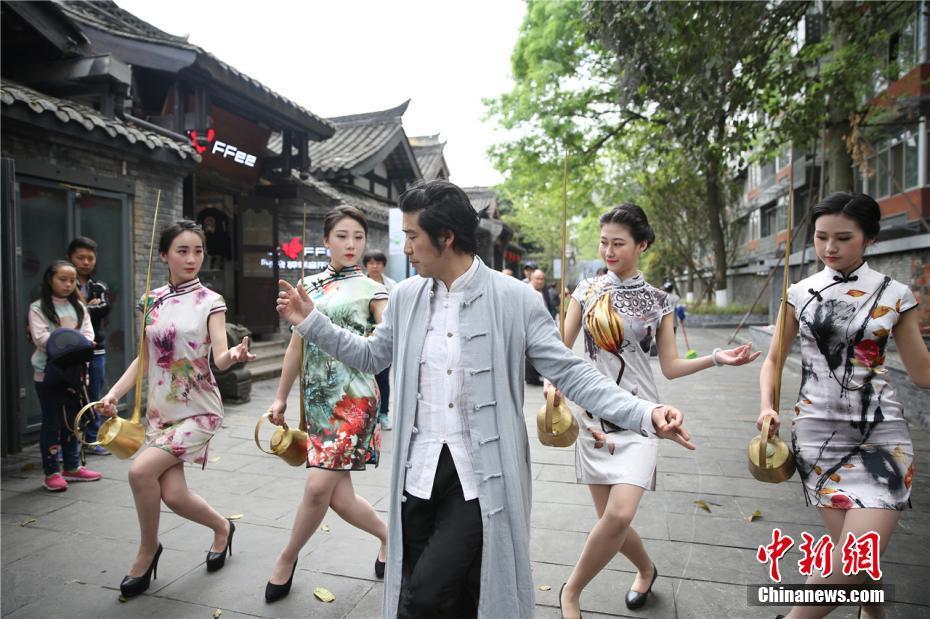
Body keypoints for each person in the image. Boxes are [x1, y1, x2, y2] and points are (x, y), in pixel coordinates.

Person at [275, 179, 695, 619]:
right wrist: (311, 321)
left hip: (477, 478)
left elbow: (571, 372)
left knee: (424, 598)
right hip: (417, 473)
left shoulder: (515, 299)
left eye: (413, 236)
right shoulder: (406, 296)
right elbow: (371, 355)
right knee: (444, 590)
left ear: (446, 237)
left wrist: (645, 412)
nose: (406, 248)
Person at [554, 204, 759, 618]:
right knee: (611, 522)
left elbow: (670, 366)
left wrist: (716, 358)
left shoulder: (659, 301)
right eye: (604, 242)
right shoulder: (585, 291)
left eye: (618, 243)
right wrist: (552, 383)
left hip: (644, 417)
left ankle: (570, 592)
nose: (608, 251)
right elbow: (559, 351)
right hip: (594, 420)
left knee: (619, 514)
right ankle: (646, 569)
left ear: (641, 245)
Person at [758, 193, 929, 619]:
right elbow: (774, 360)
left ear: (869, 237)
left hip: (882, 437)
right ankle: (874, 613)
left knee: (853, 556)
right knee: (852, 558)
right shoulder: (799, 292)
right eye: (821, 237)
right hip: (818, 438)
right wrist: (766, 407)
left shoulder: (895, 294)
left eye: (843, 238)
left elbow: (923, 373)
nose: (830, 247)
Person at [98, 220, 255, 599]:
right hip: (161, 412)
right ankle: (223, 528)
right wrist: (114, 394)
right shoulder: (150, 301)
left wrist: (234, 355)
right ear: (164, 255)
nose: (191, 258)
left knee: (140, 472)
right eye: (182, 251)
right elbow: (145, 358)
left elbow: (220, 356)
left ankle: (148, 549)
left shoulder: (211, 301)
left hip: (200, 409)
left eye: (198, 251)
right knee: (174, 495)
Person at [265, 206, 390, 603]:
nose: (351, 244)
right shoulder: (309, 286)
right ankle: (391, 538)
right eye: (342, 236)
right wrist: (281, 396)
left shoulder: (374, 290)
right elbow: (296, 346)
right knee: (338, 496)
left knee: (318, 487)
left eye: (358, 236)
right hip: (317, 401)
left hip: (355, 400)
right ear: (325, 241)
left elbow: (388, 342)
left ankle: (286, 558)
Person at [28, 260, 102, 491]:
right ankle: (51, 472)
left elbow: (89, 335)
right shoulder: (38, 308)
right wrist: (75, 343)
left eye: (72, 280)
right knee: (52, 423)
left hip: (76, 374)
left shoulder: (79, 306)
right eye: (63, 279)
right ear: (50, 280)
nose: (68, 284)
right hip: (48, 375)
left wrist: (70, 342)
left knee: (73, 422)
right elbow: (42, 340)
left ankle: (72, 467)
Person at [67, 236, 112, 455]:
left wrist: (83, 308)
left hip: (96, 349)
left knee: (95, 394)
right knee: (71, 396)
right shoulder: (65, 283)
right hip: (70, 351)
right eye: (80, 257)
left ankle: (92, 438)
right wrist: (88, 307)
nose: (85, 262)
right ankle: (70, 441)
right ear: (70, 258)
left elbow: (104, 309)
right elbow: (69, 312)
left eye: (90, 258)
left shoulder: (98, 286)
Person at [364, 249, 397, 430]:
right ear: (366, 265)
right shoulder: (360, 284)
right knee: (365, 380)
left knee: (383, 378)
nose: (374, 266)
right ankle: (368, 415)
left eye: (378, 262)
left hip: (384, 339)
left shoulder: (392, 286)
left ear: (383, 265)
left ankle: (383, 414)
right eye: (371, 263)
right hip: (363, 338)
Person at [526, 268, 558, 386]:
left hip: (543, 328)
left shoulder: (545, 292)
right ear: (531, 278)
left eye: (542, 279)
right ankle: (532, 378)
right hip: (530, 327)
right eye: (537, 279)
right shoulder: (526, 291)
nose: (540, 281)